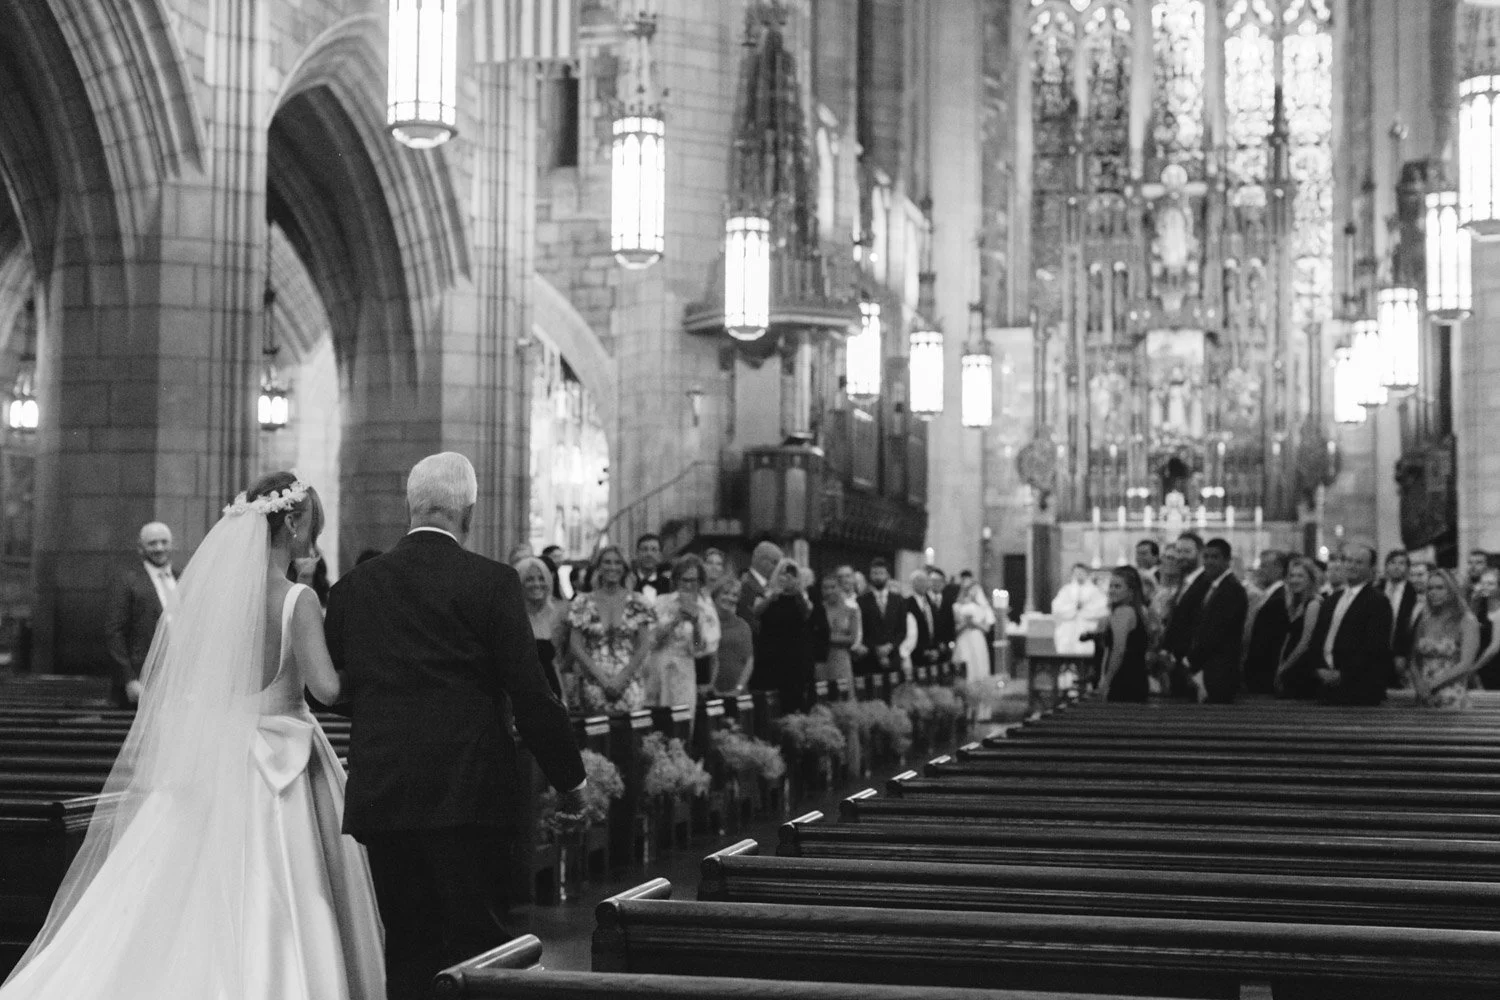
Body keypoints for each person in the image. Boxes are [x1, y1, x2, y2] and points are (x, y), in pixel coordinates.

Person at [1, 474, 384, 999]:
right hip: (283, 762)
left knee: (182, 888)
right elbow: (326, 687)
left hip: (220, 755)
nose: (312, 541)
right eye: (312, 527)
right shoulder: (298, 599)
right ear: (292, 523)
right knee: (283, 891)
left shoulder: (219, 599)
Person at [325, 455, 584, 999]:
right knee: (478, 944)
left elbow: (324, 687)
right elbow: (530, 693)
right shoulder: (491, 582)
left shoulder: (355, 586)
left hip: (385, 789)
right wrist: (572, 780)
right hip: (469, 790)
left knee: (407, 943)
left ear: (411, 507)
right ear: (468, 511)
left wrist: (390, 709)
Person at [1285, 543, 1393, 705]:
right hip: (1325, 687)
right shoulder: (1333, 599)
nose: (1351, 566)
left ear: (1371, 568)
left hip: (1359, 689)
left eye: (1358, 562)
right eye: (1348, 561)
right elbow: (1317, 639)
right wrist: (1320, 669)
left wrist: (1342, 674)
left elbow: (1375, 647)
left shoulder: (1378, 601)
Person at [568, 544, 657, 714]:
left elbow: (644, 644)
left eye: (617, 563)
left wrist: (622, 678)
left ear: (624, 568)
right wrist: (603, 680)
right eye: (607, 562)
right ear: (599, 566)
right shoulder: (583, 602)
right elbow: (576, 646)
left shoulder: (638, 602)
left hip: (629, 683)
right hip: (593, 683)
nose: (612, 567)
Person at [102, 521, 178, 706]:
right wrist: (128, 679)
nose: (159, 548)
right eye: (152, 543)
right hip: (140, 681)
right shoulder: (126, 581)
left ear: (171, 544)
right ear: (140, 548)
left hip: (176, 680)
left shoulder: (182, 577)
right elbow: (114, 633)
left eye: (163, 542)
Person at [644, 554, 719, 710]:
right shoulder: (661, 602)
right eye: (685, 580)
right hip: (657, 668)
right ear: (676, 580)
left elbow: (700, 649)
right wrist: (674, 621)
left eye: (694, 580)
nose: (689, 585)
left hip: (683, 672)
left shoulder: (706, 609)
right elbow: (650, 640)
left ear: (700, 582)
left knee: (680, 722)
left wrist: (696, 625)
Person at [1181, 538, 1248, 703]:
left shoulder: (1232, 589)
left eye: (1215, 557)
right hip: (1207, 667)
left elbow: (1217, 631)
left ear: (1227, 560)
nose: (1209, 562)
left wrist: (1190, 660)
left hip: (1219, 670)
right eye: (1206, 557)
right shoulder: (1210, 586)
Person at [1410, 568, 1482, 709]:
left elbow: (1466, 663)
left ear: (1451, 590)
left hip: (1452, 693)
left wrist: (1432, 685)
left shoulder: (1467, 621)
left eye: (1440, 588)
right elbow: (1413, 658)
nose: (1433, 592)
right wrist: (1419, 685)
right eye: (1430, 588)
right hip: (1424, 694)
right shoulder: (1425, 620)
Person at [749, 558, 814, 712]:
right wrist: (772, 595)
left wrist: (797, 590)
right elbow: (756, 613)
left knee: (792, 701)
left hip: (793, 657)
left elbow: (806, 614)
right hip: (770, 654)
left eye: (791, 575)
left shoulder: (801, 598)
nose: (786, 578)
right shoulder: (766, 594)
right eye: (783, 574)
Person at [1159, 533, 1208, 694]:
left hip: (1191, 664)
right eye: (1178, 552)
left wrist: (1185, 659)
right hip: (1176, 662)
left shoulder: (1205, 581)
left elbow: (1199, 625)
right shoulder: (1185, 581)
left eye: (1187, 551)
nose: (1181, 556)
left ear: (1200, 553)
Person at [516, 556, 569, 702]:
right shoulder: (511, 618)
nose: (537, 584)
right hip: (521, 694)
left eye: (541, 578)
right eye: (530, 579)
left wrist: (563, 699)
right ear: (519, 583)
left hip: (551, 692)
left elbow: (555, 663)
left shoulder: (557, 615)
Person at [1095, 566, 1150, 702]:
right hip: (1134, 678)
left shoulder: (1124, 612)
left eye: (1118, 586)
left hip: (1124, 679)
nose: (1112, 590)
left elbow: (1118, 651)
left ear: (1130, 590)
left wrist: (1106, 681)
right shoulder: (1133, 611)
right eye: (1111, 586)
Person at [1272, 557, 1324, 696]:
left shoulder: (1313, 604)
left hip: (1303, 669)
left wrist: (1283, 668)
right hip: (1291, 666)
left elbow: (1305, 642)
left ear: (1310, 579)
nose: (1295, 580)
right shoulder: (1294, 604)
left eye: (1300, 576)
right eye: (1292, 576)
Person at [1241, 550, 1289, 695]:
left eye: (1264, 566)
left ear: (1279, 569)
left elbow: (1270, 639)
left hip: (1265, 670)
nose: (1260, 570)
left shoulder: (1279, 597)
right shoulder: (1270, 595)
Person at [810, 570, 862, 692]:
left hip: (842, 660)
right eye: (825, 588)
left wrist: (826, 637)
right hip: (821, 662)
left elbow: (852, 638)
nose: (829, 591)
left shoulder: (851, 611)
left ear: (840, 587)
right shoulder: (817, 610)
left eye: (833, 587)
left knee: (843, 696)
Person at [857, 557, 908, 675]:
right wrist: (876, 649)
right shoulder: (861, 601)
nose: (878, 577)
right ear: (870, 576)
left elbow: (902, 629)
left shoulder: (898, 600)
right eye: (875, 573)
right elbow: (861, 630)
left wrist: (890, 646)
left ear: (887, 575)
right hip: (870, 658)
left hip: (893, 655)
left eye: (881, 573)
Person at [710, 577, 755, 696]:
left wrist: (739, 688)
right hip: (709, 691)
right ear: (715, 595)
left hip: (737, 691)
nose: (730, 598)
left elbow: (749, 661)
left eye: (734, 595)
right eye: (725, 593)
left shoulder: (742, 625)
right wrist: (710, 688)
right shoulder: (705, 623)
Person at [1381, 550, 1418, 687]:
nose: (1396, 567)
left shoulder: (1412, 592)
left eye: (1401, 563)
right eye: (1392, 563)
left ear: (1408, 569)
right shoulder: (1377, 588)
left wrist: (1402, 653)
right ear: (1386, 566)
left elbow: (1409, 627)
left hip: (1399, 651)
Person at [1051, 563, 1109, 649]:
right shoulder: (1066, 590)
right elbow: (1057, 608)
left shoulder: (1095, 591)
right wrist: (1074, 607)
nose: (1079, 575)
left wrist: (1084, 610)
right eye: (1076, 573)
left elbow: (1103, 609)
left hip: (1087, 626)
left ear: (1086, 573)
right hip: (1068, 628)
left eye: (1081, 573)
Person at [952, 577, 997, 683]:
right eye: (967, 588)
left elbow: (987, 628)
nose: (970, 591)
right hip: (963, 638)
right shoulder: (957, 606)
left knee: (978, 662)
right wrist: (965, 624)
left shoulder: (982, 607)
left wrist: (974, 623)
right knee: (965, 661)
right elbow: (954, 629)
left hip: (977, 638)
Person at [736, 540, 783, 632]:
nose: (778, 568)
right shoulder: (746, 585)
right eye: (775, 563)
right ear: (763, 561)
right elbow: (749, 621)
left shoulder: (771, 585)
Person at [901, 568, 941, 672]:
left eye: (926, 581)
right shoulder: (907, 603)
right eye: (921, 581)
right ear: (913, 583)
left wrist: (935, 649)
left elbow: (935, 626)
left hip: (932, 651)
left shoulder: (931, 603)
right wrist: (923, 651)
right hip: (915, 652)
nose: (925, 584)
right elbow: (907, 631)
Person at [1468, 567, 1500, 690]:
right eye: (1483, 583)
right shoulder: (1479, 608)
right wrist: (1474, 600)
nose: (1485, 586)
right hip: (1478, 664)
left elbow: (1494, 647)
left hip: (1493, 666)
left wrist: (1474, 668)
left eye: (1491, 584)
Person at [633, 533, 674, 599]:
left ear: (660, 555)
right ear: (637, 553)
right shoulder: (626, 583)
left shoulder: (669, 585)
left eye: (654, 550)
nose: (649, 554)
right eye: (644, 549)